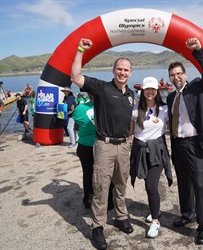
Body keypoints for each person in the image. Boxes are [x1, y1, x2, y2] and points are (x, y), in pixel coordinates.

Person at [71, 38, 135, 250]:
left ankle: (120, 217)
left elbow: (130, 121)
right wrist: (80, 50)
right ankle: (97, 227)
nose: (122, 73)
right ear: (113, 70)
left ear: (130, 73)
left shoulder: (131, 95)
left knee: (121, 183)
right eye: (119, 69)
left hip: (124, 146)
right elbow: (75, 76)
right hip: (104, 146)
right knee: (101, 186)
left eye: (126, 70)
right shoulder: (101, 88)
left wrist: (130, 138)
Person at [166, 38, 203, 245]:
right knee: (183, 183)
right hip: (178, 144)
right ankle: (188, 214)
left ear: (185, 75)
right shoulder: (170, 97)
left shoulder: (196, 87)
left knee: (199, 185)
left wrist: (199, 50)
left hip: (195, 144)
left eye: (179, 74)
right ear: (170, 78)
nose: (176, 77)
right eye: (173, 75)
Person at [130, 76, 172, 239]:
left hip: (157, 151)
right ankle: (156, 210)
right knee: (146, 182)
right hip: (140, 150)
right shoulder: (135, 110)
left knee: (151, 186)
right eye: (147, 89)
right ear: (142, 91)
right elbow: (131, 131)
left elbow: (176, 126)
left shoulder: (165, 109)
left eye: (153, 89)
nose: (150, 92)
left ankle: (155, 221)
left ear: (157, 91)